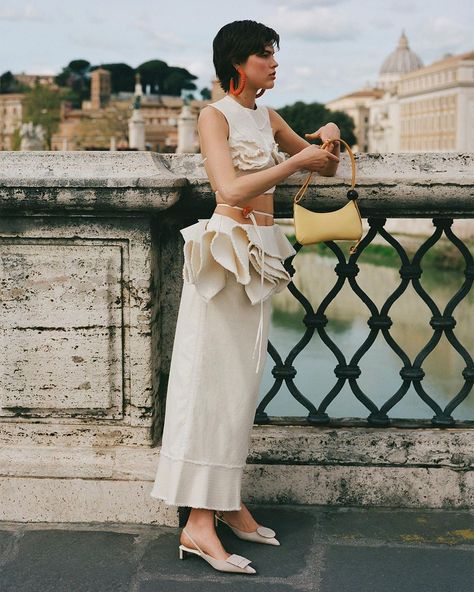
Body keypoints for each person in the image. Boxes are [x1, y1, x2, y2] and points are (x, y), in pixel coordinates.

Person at [150, 19, 340, 575]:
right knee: (211, 383)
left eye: (274, 54)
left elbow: (322, 161)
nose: (274, 63)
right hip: (226, 256)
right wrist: (298, 161)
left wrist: (324, 136)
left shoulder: (266, 116)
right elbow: (228, 189)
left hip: (258, 256)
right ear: (239, 63)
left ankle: (227, 503)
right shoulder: (214, 115)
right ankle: (199, 523)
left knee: (238, 386)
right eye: (265, 55)